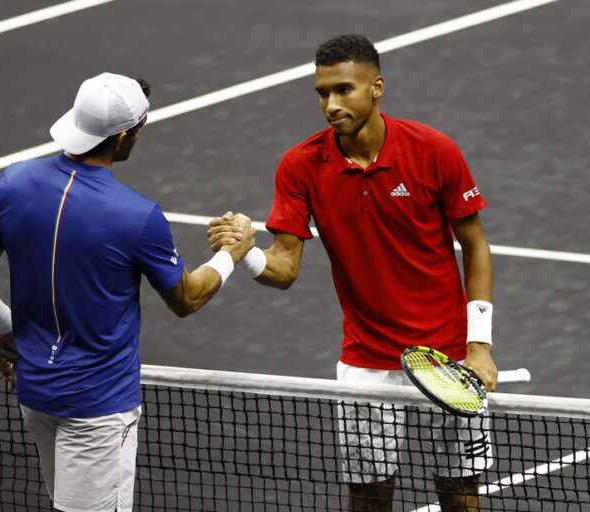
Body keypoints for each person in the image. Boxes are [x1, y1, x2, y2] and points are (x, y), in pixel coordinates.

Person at [208, 34, 497, 511]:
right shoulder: (301, 166)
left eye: (344, 90)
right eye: (323, 92)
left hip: (449, 357)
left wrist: (479, 345)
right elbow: (284, 269)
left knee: (460, 494)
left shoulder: (434, 151)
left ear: (376, 87)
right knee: (367, 497)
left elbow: (475, 245)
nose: (331, 104)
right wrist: (248, 254)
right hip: (366, 362)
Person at [0, 72, 255, 512]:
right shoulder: (138, 216)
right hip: (98, 410)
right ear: (124, 136)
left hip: (36, 394)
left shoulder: (10, 184)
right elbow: (187, 298)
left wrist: (9, 328)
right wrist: (232, 252)